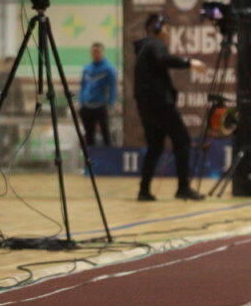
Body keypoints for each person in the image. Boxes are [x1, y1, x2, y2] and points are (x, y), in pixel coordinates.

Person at [133, 14, 207, 201]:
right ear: (155, 29)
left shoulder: (144, 48)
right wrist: (189, 62)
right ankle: (183, 187)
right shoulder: (154, 45)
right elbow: (163, 59)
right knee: (182, 140)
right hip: (159, 103)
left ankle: (144, 190)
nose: (167, 33)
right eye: (165, 29)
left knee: (155, 146)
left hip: (146, 104)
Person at [79, 42, 117, 146]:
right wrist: (81, 101)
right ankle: (90, 159)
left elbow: (113, 87)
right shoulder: (87, 68)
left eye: (98, 51)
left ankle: (109, 158)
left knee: (106, 135)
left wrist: (111, 102)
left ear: (102, 52)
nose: (96, 54)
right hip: (87, 106)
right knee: (89, 135)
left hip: (101, 106)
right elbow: (83, 86)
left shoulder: (109, 69)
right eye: (94, 51)